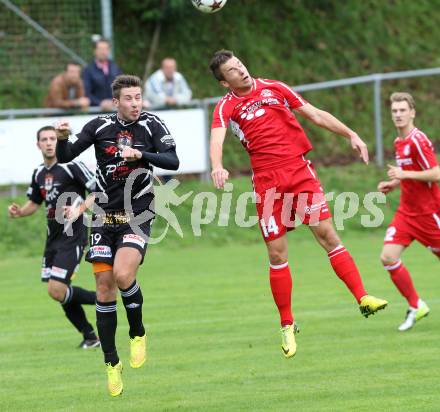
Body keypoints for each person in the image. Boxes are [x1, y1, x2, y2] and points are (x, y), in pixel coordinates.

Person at [209, 49, 388, 359]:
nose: (241, 70)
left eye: (239, 64)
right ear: (225, 82)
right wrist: (217, 164)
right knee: (277, 253)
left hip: (298, 171)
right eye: (232, 71)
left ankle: (362, 297)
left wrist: (351, 133)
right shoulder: (227, 106)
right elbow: (217, 138)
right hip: (267, 182)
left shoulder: (275, 88)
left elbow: (315, 114)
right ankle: (287, 324)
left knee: (328, 235)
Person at [54, 74, 179, 397]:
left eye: (138, 97)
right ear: (116, 102)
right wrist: (63, 138)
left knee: (124, 275)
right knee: (104, 288)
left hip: (137, 214)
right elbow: (66, 155)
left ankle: (137, 331)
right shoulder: (99, 126)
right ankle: (111, 363)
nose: (135, 103)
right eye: (129, 98)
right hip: (103, 217)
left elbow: (172, 161)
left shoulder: (152, 125)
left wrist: (142, 156)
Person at [7, 126, 99, 349]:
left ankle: (104, 299)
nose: (49, 143)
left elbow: (98, 192)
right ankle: (90, 336)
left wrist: (79, 209)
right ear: (38, 144)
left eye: (52, 138)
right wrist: (20, 212)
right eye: (44, 139)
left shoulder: (72, 165)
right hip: (53, 240)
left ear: (58, 142)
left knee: (56, 289)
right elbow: (34, 203)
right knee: (59, 292)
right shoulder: (39, 173)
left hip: (72, 236)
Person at [378, 92, 440, 331]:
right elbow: (411, 173)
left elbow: (435, 174)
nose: (398, 115)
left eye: (403, 110)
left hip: (428, 214)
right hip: (406, 213)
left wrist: (403, 175)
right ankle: (417, 305)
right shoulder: (398, 142)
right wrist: (393, 184)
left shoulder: (417, 139)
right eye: (394, 111)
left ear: (412, 112)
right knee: (388, 257)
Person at [82, 39, 122, 112]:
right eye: (100, 49)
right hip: (95, 112)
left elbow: (122, 88)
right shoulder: (88, 70)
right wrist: (100, 103)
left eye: (105, 49)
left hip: (115, 111)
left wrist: (113, 101)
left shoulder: (115, 68)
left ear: (109, 51)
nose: (103, 52)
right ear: (95, 51)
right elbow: (86, 92)